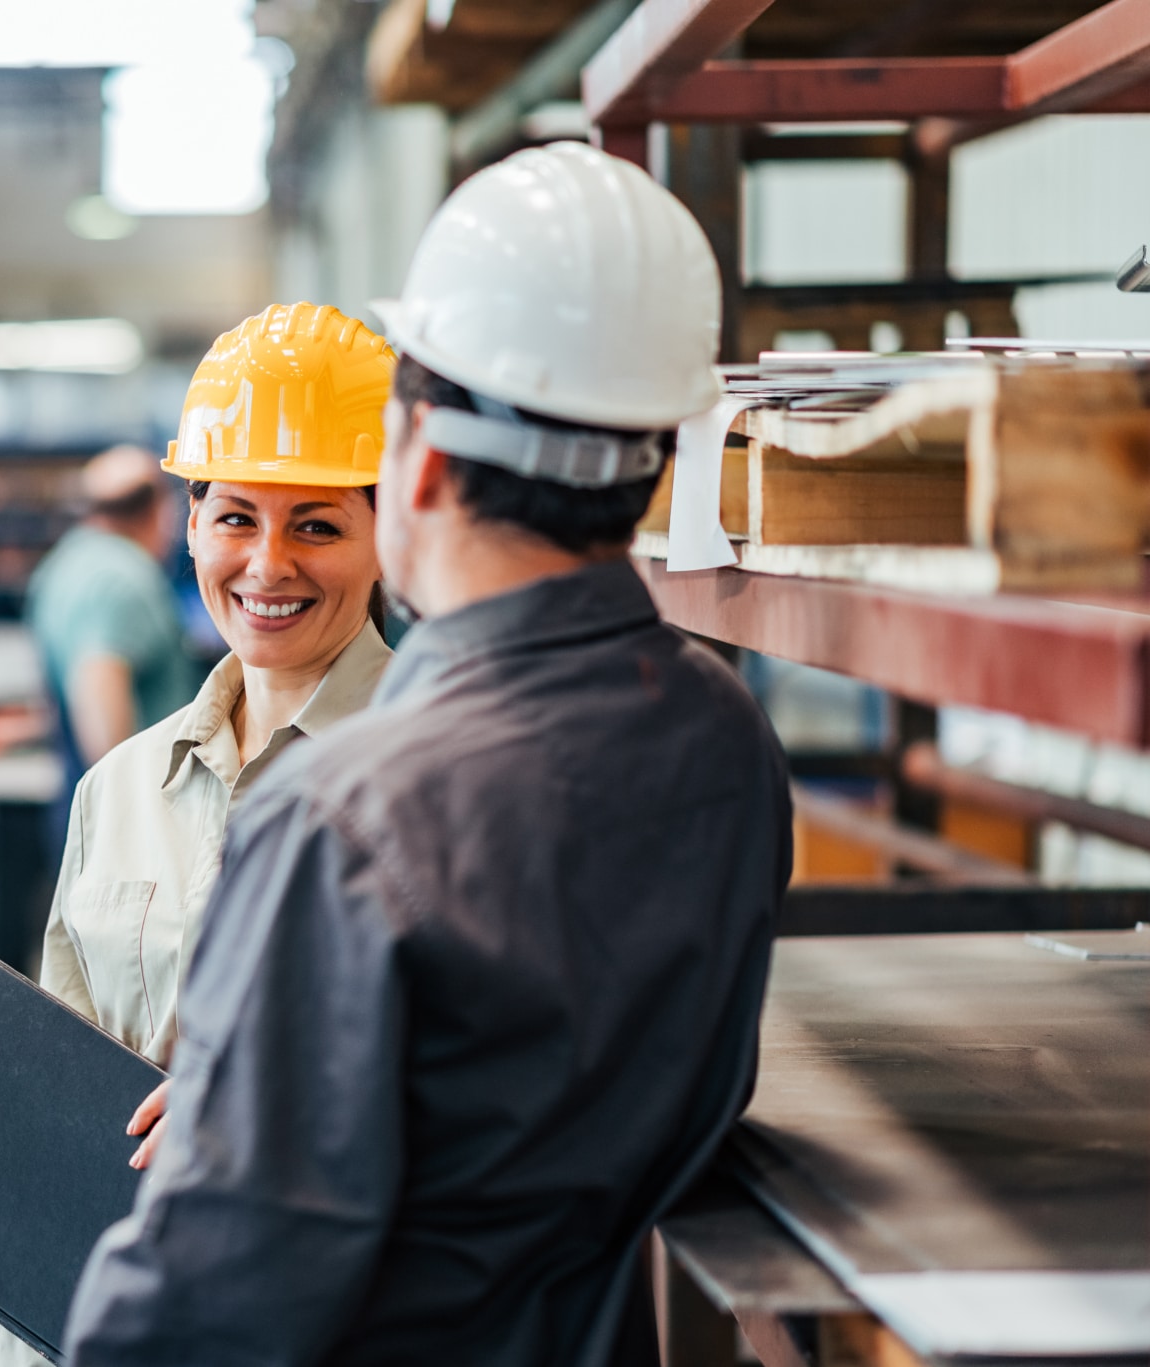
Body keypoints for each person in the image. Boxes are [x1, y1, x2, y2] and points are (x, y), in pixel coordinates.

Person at [62, 143, 793, 1367]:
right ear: (654, 460)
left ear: (424, 460)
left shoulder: (346, 816)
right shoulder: (722, 735)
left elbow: (207, 1302)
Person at [0, 303, 401, 1367]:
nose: (266, 565)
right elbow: (58, 1082)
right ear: (187, 521)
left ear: (384, 530)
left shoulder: (440, 782)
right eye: (233, 517)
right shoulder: (119, 788)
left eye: (315, 523)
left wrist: (285, 1108)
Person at [26, 445, 199, 778]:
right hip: (138, 798)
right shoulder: (121, 578)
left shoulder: (64, 563)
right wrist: (132, 807)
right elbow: (99, 686)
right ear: (160, 510)